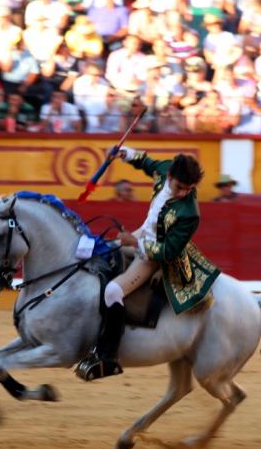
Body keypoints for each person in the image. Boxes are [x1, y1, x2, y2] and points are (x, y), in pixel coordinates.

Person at [75, 150, 220, 381]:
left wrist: (136, 242)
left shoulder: (190, 213)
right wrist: (124, 153)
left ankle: (108, 356)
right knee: (97, 253)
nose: (183, 193)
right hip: (143, 233)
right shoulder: (164, 170)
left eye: (188, 188)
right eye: (179, 186)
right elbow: (145, 162)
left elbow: (168, 252)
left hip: (155, 254)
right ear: (170, 175)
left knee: (113, 291)